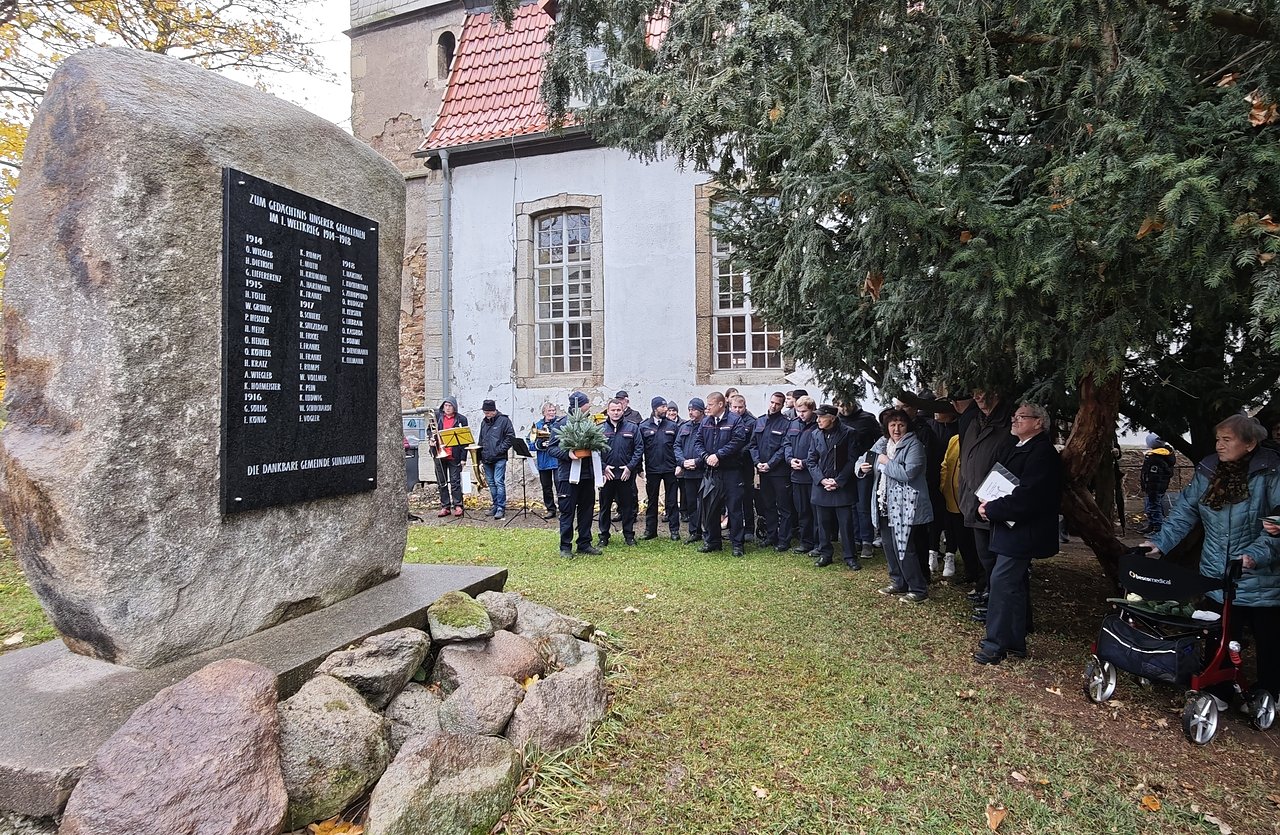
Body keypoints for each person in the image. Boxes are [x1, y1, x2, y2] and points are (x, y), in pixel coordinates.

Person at [1144, 414, 1280, 701]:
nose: (1219, 445)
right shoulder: (1208, 470)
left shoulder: (1271, 472)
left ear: (1250, 444)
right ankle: (1219, 690)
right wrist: (1159, 544)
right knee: (1220, 635)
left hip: (1262, 579)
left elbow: (1277, 527)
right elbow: (1184, 512)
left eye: (1227, 440)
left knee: (1268, 641)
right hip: (1217, 573)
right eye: (1218, 439)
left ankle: (1269, 694)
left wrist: (1253, 556)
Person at [972, 403, 1062, 664]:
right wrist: (985, 504)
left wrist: (993, 509)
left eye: (1021, 417)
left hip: (1025, 529)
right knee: (1014, 584)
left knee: (1002, 582)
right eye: (1015, 416)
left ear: (1038, 422)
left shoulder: (1042, 453)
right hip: (1009, 526)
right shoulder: (1018, 446)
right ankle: (1014, 640)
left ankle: (995, 645)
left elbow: (1029, 496)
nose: (1015, 420)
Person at [859, 408, 932, 600]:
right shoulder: (883, 443)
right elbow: (864, 458)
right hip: (884, 502)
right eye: (892, 425)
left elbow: (907, 474)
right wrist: (862, 467)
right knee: (889, 546)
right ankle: (898, 582)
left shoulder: (914, 445)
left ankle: (918, 589)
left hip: (905, 504)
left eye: (901, 425)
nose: (897, 429)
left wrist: (885, 462)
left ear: (908, 426)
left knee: (905, 548)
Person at [957, 388, 1016, 620]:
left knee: (998, 559)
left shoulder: (1008, 423)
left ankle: (997, 604)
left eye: (983, 392)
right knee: (985, 556)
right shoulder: (974, 421)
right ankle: (989, 594)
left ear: (997, 393)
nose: (978, 397)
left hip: (995, 501)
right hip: (973, 500)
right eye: (975, 393)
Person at [544, 391, 603, 558]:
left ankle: (584, 543)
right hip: (567, 476)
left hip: (587, 475)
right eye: (587, 403)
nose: (589, 405)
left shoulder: (589, 423)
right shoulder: (561, 424)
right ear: (579, 405)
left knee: (587, 510)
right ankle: (565, 547)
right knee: (567, 511)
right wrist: (568, 454)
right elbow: (551, 448)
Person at [692, 391, 750, 556]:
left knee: (734, 509)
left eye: (710, 405)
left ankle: (737, 544)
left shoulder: (735, 420)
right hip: (712, 472)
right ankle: (713, 541)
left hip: (731, 472)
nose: (707, 408)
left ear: (720, 404)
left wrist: (719, 455)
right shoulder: (706, 421)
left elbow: (738, 441)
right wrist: (706, 457)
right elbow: (698, 442)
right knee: (711, 507)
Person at [807, 404, 862, 570]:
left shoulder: (849, 433)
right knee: (823, 523)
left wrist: (838, 481)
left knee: (846, 524)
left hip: (842, 486)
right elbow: (811, 460)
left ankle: (850, 556)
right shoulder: (815, 434)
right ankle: (825, 554)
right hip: (822, 486)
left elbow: (853, 459)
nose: (818, 420)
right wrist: (822, 480)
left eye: (821, 417)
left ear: (832, 418)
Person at [838, 399, 882, 558]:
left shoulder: (867, 419)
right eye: (840, 405)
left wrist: (871, 461)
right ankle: (855, 538)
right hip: (846, 468)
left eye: (846, 404)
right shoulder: (837, 420)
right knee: (850, 504)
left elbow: (880, 442)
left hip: (864, 466)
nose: (844, 408)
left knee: (863, 505)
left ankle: (866, 541)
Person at [597, 398, 643, 546]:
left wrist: (630, 467)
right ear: (608, 411)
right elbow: (595, 452)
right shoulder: (600, 429)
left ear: (623, 410)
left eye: (618, 410)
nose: (616, 413)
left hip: (625, 475)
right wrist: (603, 467)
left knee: (627, 507)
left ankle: (629, 535)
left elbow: (639, 449)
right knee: (605, 507)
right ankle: (603, 536)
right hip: (607, 475)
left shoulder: (632, 428)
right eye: (613, 410)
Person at [751, 391, 794, 551]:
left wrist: (770, 464)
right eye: (772, 402)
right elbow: (753, 444)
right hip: (763, 471)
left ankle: (784, 539)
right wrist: (757, 463)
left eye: (777, 404)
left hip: (779, 472)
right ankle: (771, 536)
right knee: (768, 505)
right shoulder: (760, 421)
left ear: (782, 406)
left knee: (784, 507)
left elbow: (784, 448)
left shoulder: (786, 423)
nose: (774, 406)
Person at [641, 396, 681, 540]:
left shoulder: (672, 426)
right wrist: (640, 469)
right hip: (652, 469)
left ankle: (674, 530)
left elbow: (678, 447)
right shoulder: (644, 426)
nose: (666, 409)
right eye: (662, 407)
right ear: (654, 408)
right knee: (652, 501)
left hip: (670, 469)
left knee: (672, 501)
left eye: (666, 407)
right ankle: (650, 530)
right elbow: (639, 448)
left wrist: (679, 464)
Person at [785, 395, 820, 555]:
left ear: (812, 410)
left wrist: (805, 463)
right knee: (802, 511)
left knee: (816, 512)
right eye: (798, 411)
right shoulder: (793, 424)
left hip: (812, 476)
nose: (801, 414)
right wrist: (790, 459)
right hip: (796, 475)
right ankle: (805, 542)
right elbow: (786, 443)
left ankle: (819, 543)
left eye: (804, 411)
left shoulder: (818, 425)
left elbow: (820, 451)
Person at [477, 399, 515, 521]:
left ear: (494, 411)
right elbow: (481, 439)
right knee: (491, 483)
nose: (486, 415)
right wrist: (479, 457)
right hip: (487, 458)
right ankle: (495, 505)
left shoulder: (504, 420)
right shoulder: (484, 422)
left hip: (499, 457)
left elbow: (510, 438)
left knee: (499, 482)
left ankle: (501, 508)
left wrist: (499, 450)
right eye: (485, 412)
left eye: (488, 412)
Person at [675, 398, 706, 544]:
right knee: (691, 503)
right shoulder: (684, 427)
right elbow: (677, 446)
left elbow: (710, 448)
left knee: (705, 504)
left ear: (701, 411)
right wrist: (682, 462)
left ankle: (707, 531)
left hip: (703, 472)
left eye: (693, 410)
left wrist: (697, 462)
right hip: (688, 472)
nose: (690, 412)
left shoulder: (707, 425)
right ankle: (694, 532)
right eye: (689, 409)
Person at [430, 397, 468, 517]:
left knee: (455, 482)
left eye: (450, 405)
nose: (447, 408)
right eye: (446, 405)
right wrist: (431, 438)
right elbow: (429, 430)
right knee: (442, 482)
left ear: (454, 407)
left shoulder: (461, 419)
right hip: (439, 454)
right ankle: (445, 506)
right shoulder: (437, 416)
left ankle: (458, 505)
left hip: (454, 455)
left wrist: (463, 458)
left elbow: (465, 441)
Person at [729, 394, 760, 539]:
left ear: (745, 407)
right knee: (732, 497)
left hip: (745, 463)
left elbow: (753, 442)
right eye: (734, 407)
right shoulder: (727, 420)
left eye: (740, 407)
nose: (737, 410)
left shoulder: (752, 422)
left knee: (747, 496)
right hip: (731, 464)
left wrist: (740, 452)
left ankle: (749, 529)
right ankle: (733, 528)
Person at [1139, 433, 1175, 535]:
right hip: (1154, 487)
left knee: (1154, 507)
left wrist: (1150, 487)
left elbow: (1155, 476)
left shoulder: (1156, 458)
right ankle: (1152, 525)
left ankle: (1157, 528)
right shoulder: (1162, 456)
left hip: (1154, 488)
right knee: (1150, 506)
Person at [529, 402, 560, 520]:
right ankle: (551, 509)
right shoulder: (538, 425)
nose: (552, 413)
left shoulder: (560, 423)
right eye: (549, 411)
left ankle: (564, 509)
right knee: (546, 487)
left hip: (557, 460)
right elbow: (530, 443)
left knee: (560, 486)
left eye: (553, 410)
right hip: (544, 461)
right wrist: (539, 444)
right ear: (543, 413)